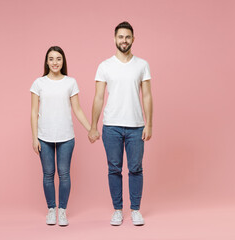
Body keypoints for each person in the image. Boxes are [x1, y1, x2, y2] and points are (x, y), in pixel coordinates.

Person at [88, 21, 153, 226]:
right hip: (111, 126)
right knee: (114, 169)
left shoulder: (142, 65)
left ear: (133, 39)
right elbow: (98, 98)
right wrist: (93, 126)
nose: (123, 40)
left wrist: (149, 124)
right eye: (120, 37)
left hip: (136, 126)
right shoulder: (105, 66)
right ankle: (117, 210)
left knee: (136, 168)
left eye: (127, 37)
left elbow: (147, 96)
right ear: (114, 39)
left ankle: (135, 210)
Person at [30, 46, 90, 226]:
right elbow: (33, 112)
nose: (55, 62)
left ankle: (62, 210)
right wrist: (34, 138)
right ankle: (51, 209)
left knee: (64, 174)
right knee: (48, 174)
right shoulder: (38, 83)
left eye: (58, 59)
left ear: (63, 61)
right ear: (46, 62)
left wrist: (90, 128)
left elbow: (77, 109)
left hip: (66, 136)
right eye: (51, 59)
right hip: (44, 136)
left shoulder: (70, 82)